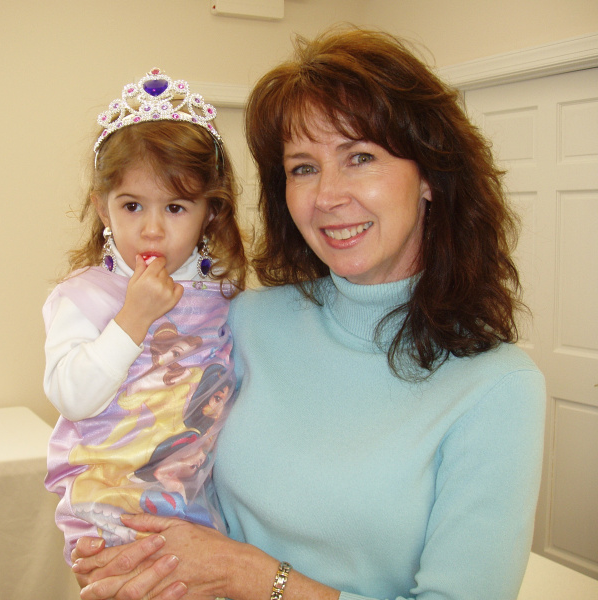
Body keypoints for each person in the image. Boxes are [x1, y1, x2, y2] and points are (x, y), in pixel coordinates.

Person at [68, 28, 546, 600]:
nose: (327, 196)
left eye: (360, 157)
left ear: (429, 176)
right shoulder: (242, 322)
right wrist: (126, 555)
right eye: (302, 168)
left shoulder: (497, 388)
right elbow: (158, 468)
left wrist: (250, 576)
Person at [43, 68, 247, 565]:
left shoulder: (223, 297)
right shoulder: (85, 296)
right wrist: (133, 317)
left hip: (194, 508)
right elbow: (71, 397)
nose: (152, 230)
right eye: (132, 205)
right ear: (103, 210)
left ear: (209, 213)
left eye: (175, 208)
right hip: (106, 510)